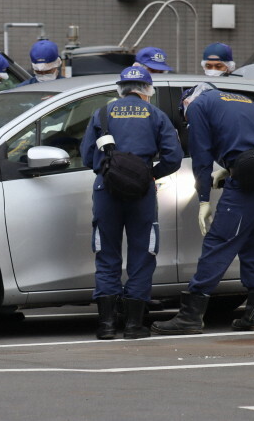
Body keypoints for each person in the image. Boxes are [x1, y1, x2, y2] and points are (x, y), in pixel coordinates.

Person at [151, 82, 254, 335]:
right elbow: (251, 139)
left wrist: (203, 199)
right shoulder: (240, 98)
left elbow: (201, 157)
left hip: (251, 181)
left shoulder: (196, 106)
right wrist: (229, 168)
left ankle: (190, 316)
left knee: (219, 241)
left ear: (186, 103)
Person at [80, 66, 182, 340]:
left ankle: (106, 326)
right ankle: (135, 326)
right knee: (142, 253)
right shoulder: (156, 114)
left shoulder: (101, 114)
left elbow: (87, 158)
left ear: (120, 89)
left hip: (106, 189)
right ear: (147, 90)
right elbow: (174, 157)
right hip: (142, 192)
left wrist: (111, 170)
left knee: (106, 253)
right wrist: (149, 174)